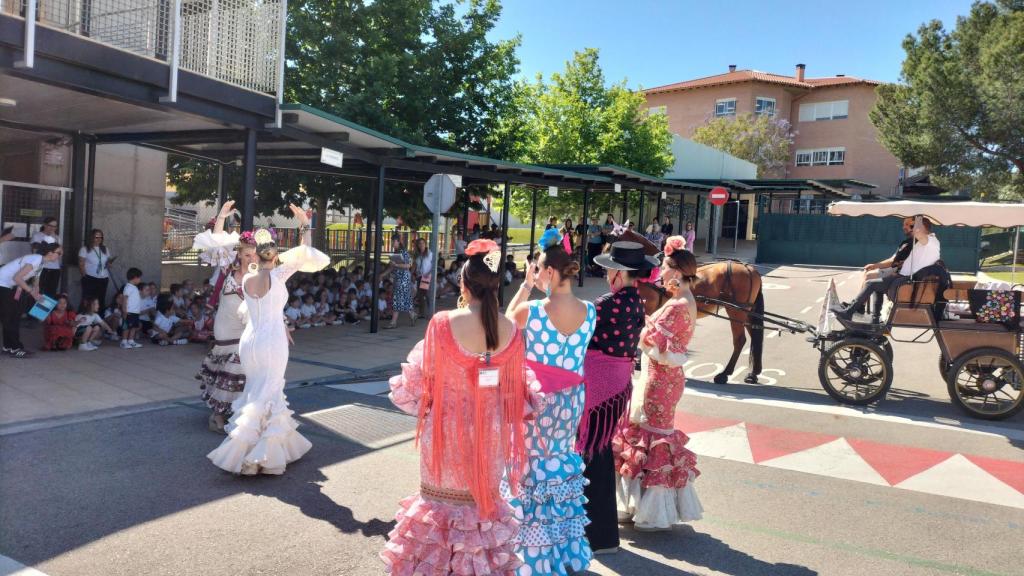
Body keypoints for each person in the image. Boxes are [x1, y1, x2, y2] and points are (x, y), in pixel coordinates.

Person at [380, 238, 535, 575]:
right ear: (495, 284)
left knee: (439, 507)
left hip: (445, 433)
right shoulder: (511, 330)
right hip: (489, 434)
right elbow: (517, 392)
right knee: (480, 508)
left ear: (463, 284)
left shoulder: (442, 323)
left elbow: (417, 382)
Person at [208, 204, 329, 475]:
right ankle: (257, 456)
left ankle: (250, 449)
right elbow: (305, 253)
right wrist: (304, 224)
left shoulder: (247, 279)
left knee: (254, 392)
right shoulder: (278, 275)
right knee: (270, 393)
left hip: (249, 341)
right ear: (274, 255)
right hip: (271, 342)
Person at [505, 228, 597, 575]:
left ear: (548, 271)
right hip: (571, 401)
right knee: (558, 467)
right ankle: (563, 548)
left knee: (531, 471)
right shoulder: (590, 311)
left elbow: (504, 326)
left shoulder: (531, 310)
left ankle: (533, 555)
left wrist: (525, 286)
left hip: (537, 400)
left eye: (540, 270)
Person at [613, 236, 702, 531]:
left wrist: (642, 332)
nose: (660, 273)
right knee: (647, 437)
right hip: (662, 379)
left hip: (661, 380)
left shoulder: (678, 305)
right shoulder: (683, 300)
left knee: (652, 441)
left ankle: (652, 512)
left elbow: (659, 348)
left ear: (676, 271)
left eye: (663, 267)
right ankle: (639, 505)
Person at [579, 241, 657, 554]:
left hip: (597, 386)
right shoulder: (636, 300)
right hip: (618, 386)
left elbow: (579, 332)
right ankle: (604, 535)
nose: (606, 273)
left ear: (620, 273)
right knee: (599, 455)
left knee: (592, 458)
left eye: (609, 269)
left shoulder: (606, 303)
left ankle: (598, 536)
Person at [192, 201, 259, 433]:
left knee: (242, 371)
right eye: (247, 254)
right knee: (233, 368)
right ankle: (217, 415)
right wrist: (221, 217)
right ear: (238, 254)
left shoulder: (259, 277)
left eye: (254, 255)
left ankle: (236, 411)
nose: (251, 259)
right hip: (226, 328)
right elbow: (216, 241)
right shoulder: (228, 269)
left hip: (247, 329)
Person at [833, 216, 940, 322]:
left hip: (906, 282)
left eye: (913, 226)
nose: (912, 228)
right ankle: (875, 319)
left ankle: (849, 312)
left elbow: (917, 233)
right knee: (876, 284)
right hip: (904, 278)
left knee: (871, 283)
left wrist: (918, 217)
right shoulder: (927, 242)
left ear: (922, 227)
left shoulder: (930, 241)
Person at [847, 217, 914, 321]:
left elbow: (893, 262)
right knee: (870, 275)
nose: (903, 227)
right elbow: (893, 259)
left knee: (870, 276)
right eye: (904, 224)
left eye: (907, 224)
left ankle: (859, 307)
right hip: (896, 270)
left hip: (898, 273)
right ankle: (866, 310)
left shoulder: (912, 244)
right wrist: (874, 265)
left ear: (914, 226)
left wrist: (875, 266)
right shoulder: (906, 242)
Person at [0, 243, 62, 357]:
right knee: (11, 318)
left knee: (13, 317)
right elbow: (17, 277)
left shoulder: (41, 262)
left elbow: (35, 282)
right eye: (59, 253)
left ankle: (8, 347)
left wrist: (37, 295)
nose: (60, 255)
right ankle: (15, 348)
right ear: (50, 253)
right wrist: (31, 292)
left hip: (10, 286)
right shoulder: (36, 259)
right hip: (3, 285)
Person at [79, 228, 115, 308]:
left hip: (103, 278)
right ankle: (85, 314)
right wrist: (85, 277)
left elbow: (108, 261)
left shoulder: (105, 249)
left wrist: (109, 264)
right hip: (90, 278)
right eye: (97, 237)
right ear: (92, 237)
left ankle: (99, 315)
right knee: (88, 300)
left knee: (101, 300)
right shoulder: (85, 249)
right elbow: (81, 264)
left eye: (101, 237)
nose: (99, 239)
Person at [386, 236, 415, 329]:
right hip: (398, 278)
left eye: (393, 241)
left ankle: (393, 322)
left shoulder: (404, 252)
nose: (392, 243)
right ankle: (412, 314)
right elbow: (392, 267)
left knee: (397, 298)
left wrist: (396, 264)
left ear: (398, 242)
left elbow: (408, 265)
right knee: (404, 297)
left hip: (403, 278)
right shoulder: (395, 253)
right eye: (392, 241)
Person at [31, 217, 61, 298]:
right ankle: (37, 306)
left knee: (51, 293)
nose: (52, 228)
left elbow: (60, 253)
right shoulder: (37, 236)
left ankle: (48, 306)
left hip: (55, 268)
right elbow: (35, 252)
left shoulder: (57, 237)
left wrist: (55, 239)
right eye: (50, 226)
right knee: (40, 291)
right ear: (44, 225)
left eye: (55, 226)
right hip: (42, 267)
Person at [120, 268, 144, 349]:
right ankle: (124, 342)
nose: (140, 279)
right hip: (129, 311)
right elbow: (125, 299)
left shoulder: (135, 287)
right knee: (127, 327)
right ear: (135, 277)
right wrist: (124, 310)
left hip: (135, 312)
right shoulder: (128, 287)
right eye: (139, 277)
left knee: (133, 327)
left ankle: (131, 340)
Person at [412, 237, 433, 319]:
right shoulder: (417, 254)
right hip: (419, 275)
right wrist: (412, 274)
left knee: (426, 294)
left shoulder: (429, 253)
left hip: (426, 276)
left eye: (422, 243)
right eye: (419, 243)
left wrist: (429, 273)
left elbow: (433, 264)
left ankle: (430, 312)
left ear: (425, 244)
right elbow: (414, 265)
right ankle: (422, 313)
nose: (421, 245)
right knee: (420, 295)